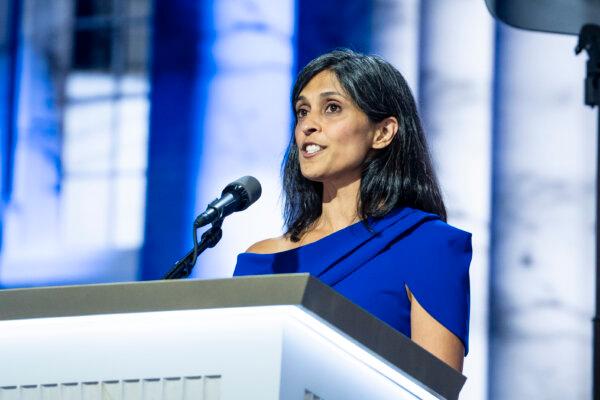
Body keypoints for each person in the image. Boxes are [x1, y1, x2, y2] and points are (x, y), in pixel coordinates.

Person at [233, 49, 472, 371]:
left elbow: (436, 387)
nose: (308, 126)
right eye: (302, 111)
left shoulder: (426, 244)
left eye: (332, 108)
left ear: (383, 132)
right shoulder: (265, 260)